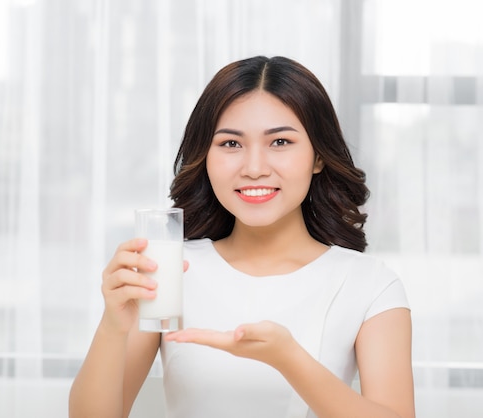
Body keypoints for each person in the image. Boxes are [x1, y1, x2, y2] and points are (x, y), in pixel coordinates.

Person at [69, 56, 415, 418]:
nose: (254, 169)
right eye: (231, 144)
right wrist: (112, 327)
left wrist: (289, 360)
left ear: (318, 157)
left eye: (280, 142)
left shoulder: (370, 284)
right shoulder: (170, 270)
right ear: (205, 156)